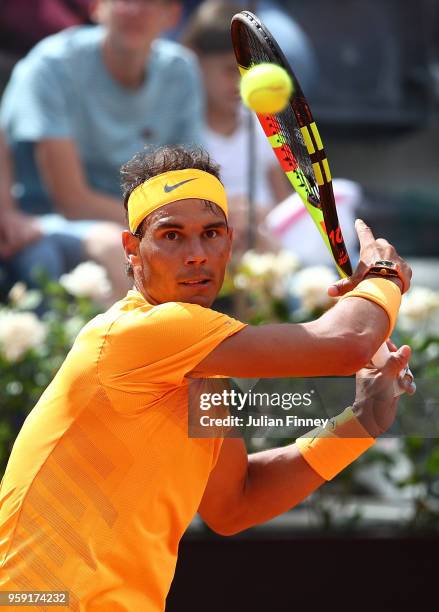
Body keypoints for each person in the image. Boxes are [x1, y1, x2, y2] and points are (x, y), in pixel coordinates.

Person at [0, 146, 414, 610]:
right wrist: (384, 274)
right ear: (132, 250)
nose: (196, 255)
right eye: (171, 236)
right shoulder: (143, 332)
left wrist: (358, 424)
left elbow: (234, 503)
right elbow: (349, 341)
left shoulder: (204, 372)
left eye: (210, 234)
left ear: (229, 243)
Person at [0, 0, 203, 298]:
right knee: (114, 248)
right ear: (97, 7)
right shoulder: (53, 64)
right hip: (44, 218)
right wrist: (168, 227)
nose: (134, 10)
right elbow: (72, 201)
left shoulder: (181, 69)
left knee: (244, 236)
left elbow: (185, 179)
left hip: (140, 219)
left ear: (172, 15)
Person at [182, 0, 292, 249]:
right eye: (229, 71)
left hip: (265, 245)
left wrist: (263, 215)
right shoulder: (181, 128)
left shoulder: (263, 122)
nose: (240, 84)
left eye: (247, 73)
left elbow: (282, 202)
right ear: (196, 62)